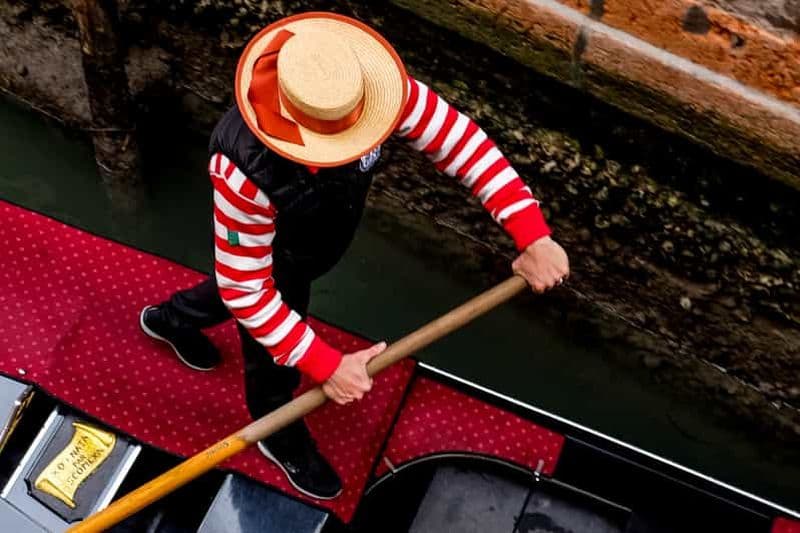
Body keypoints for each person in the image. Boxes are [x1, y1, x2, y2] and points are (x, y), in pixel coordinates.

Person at [139, 11, 569, 500]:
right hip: (281, 253)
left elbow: (460, 142)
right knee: (273, 329)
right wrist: (325, 364)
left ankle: (170, 320)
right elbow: (247, 289)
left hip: (316, 236)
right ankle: (275, 424)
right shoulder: (240, 169)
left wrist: (531, 234)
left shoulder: (370, 88)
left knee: (242, 285)